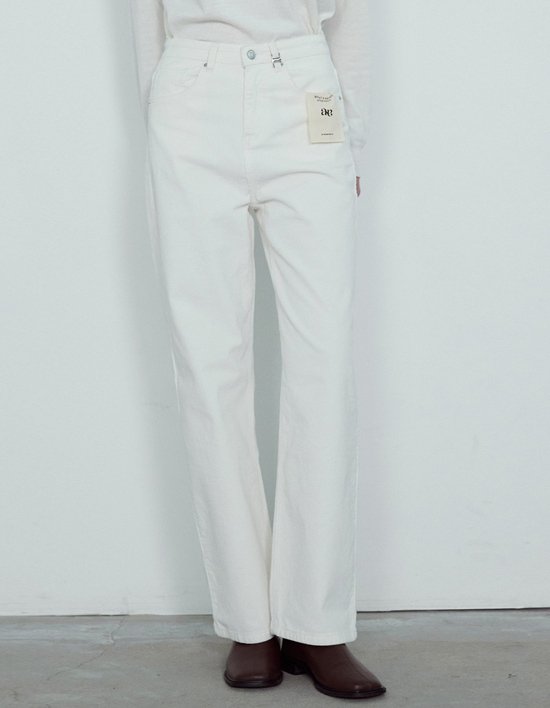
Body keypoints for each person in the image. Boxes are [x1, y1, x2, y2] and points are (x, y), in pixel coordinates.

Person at [128, 0, 386, 700]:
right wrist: (160, 119)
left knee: (323, 363)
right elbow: (145, 18)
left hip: (303, 91)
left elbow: (354, 16)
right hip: (190, 96)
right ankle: (248, 621)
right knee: (209, 363)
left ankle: (317, 622)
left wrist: (351, 133)